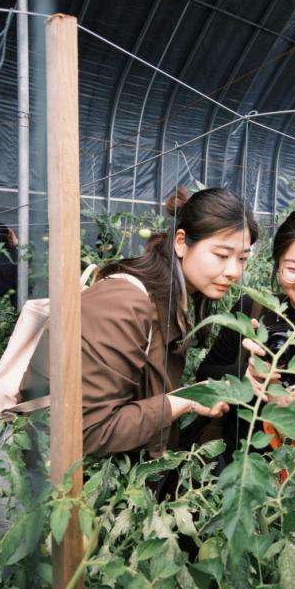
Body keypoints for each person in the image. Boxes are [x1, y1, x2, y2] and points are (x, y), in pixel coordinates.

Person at [81, 187, 258, 458]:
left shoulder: (172, 302)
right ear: (181, 242)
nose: (234, 271)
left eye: (242, 259)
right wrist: (185, 400)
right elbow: (90, 431)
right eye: (221, 255)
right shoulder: (124, 303)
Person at [197, 208, 295, 453]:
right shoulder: (253, 310)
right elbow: (204, 374)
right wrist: (244, 373)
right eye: (293, 268)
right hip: (242, 458)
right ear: (278, 267)